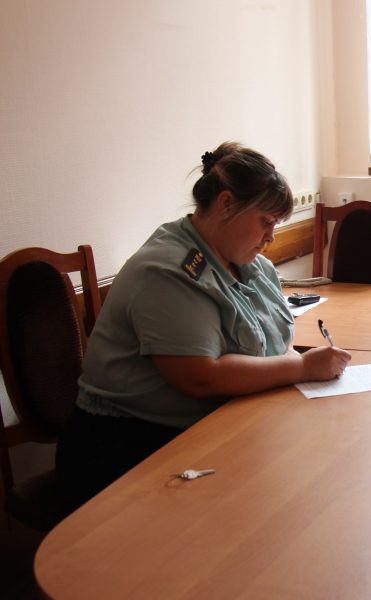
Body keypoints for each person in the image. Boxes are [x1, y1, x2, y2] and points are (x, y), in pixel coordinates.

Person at [57, 142, 351, 511]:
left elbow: (278, 341)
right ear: (226, 204)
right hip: (128, 447)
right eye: (266, 221)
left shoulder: (251, 264)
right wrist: (304, 367)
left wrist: (299, 369)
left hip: (219, 428)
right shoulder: (166, 271)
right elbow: (201, 378)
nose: (272, 236)